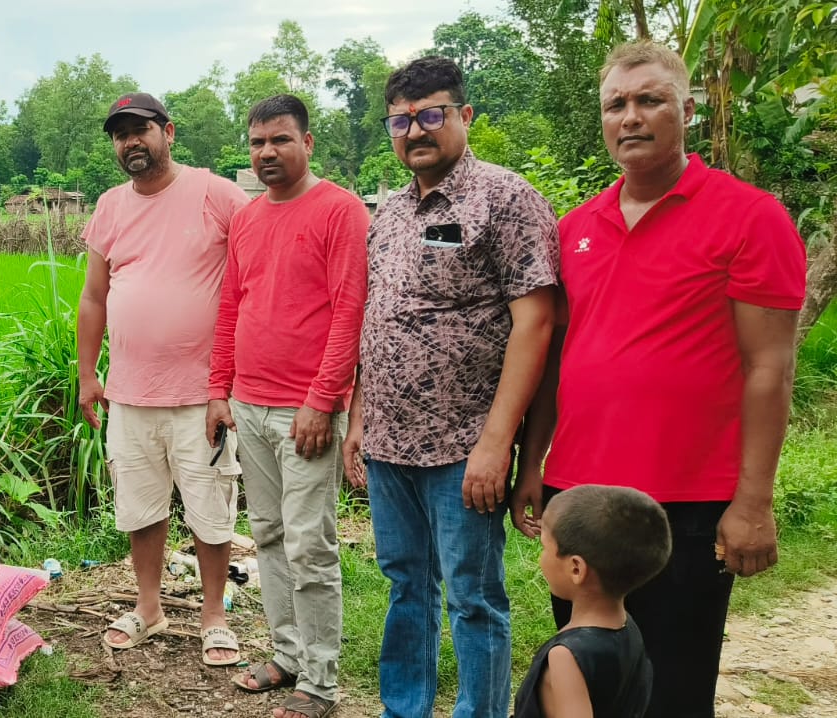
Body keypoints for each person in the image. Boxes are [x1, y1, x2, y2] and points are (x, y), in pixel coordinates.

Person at [513, 40, 807, 718]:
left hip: (688, 501)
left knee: (673, 685)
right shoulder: (577, 227)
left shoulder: (749, 217)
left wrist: (753, 502)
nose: (631, 117)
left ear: (688, 110)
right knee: (586, 676)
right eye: (616, 104)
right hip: (580, 493)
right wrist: (534, 462)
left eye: (650, 100)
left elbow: (770, 368)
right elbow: (559, 358)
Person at [343, 56, 559, 718]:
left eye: (431, 114)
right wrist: (358, 424)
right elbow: (374, 320)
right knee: (406, 585)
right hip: (388, 444)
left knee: (473, 595)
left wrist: (501, 446)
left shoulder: (507, 198)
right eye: (401, 120)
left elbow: (537, 320)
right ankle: (404, 708)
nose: (415, 131)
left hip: (464, 446)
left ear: (464, 116)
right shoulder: (390, 211)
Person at [208, 94, 368, 718]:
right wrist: (220, 390)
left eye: (279, 140)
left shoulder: (340, 210)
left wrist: (321, 400)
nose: (267, 152)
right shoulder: (247, 218)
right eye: (256, 142)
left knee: (309, 544)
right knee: (268, 535)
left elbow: (349, 311)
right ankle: (286, 653)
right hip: (248, 403)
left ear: (308, 143)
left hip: (304, 409)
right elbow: (231, 306)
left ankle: (321, 681)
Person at [78, 92, 252, 666]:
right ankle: (149, 608)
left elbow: (255, 273)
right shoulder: (108, 206)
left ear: (168, 132)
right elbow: (94, 296)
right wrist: (87, 374)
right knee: (140, 506)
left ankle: (214, 618)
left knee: (210, 505)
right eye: (120, 133)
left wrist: (228, 383)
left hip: (202, 395)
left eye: (141, 129)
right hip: (128, 391)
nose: (131, 141)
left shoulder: (216, 193)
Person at [512, 485, 671, 718]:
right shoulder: (628, 628)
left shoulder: (566, 657)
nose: (540, 558)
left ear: (576, 568)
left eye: (545, 548)